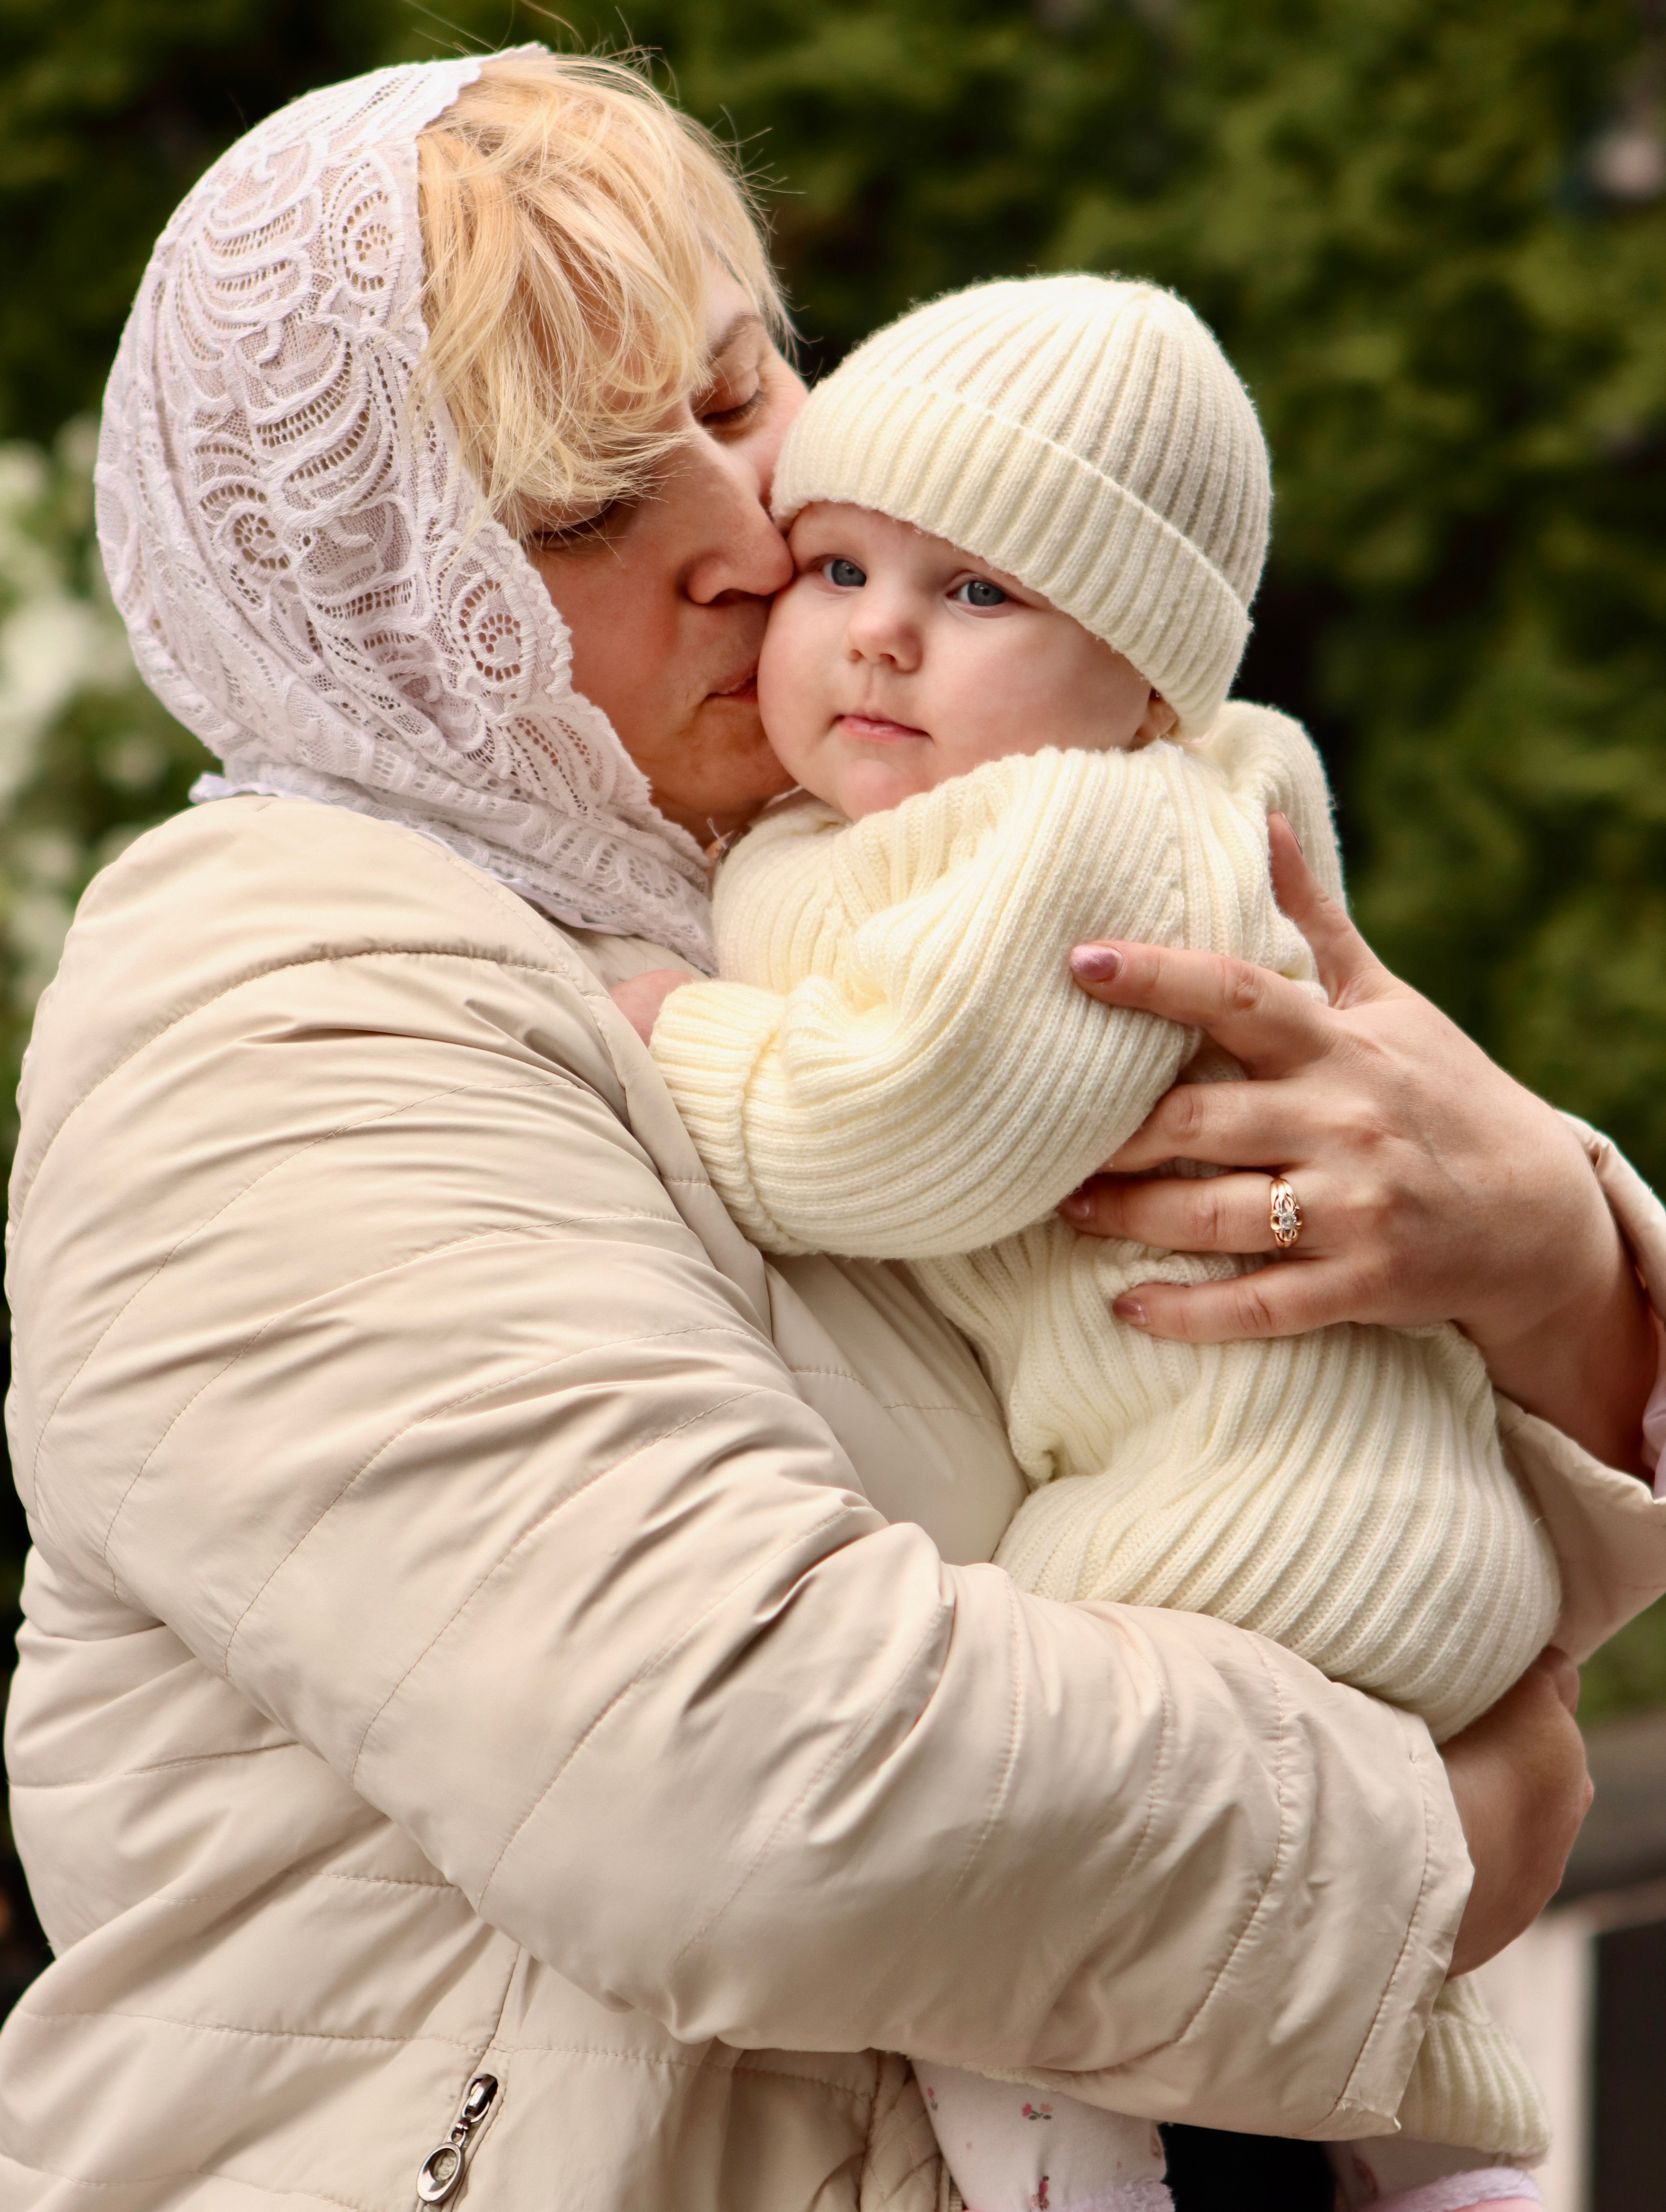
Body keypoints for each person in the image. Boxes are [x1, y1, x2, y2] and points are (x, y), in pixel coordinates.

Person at [0, 45, 1646, 2212]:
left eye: (742, 384)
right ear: (384, 603)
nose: (737, 538)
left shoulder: (854, 858)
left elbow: (1271, 1425)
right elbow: (733, 1784)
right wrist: (1432, 1832)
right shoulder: (279, 991)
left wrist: (1566, 1275)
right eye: (585, 507)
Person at [640, 274, 1661, 2212]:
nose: (879, 641)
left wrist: (667, 1046)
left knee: (1020, 1868)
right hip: (1301, 1491)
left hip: (1263, 1510)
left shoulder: (1082, 835)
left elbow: (895, 1126)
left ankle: (1108, 2169)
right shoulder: (918, 816)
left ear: (1146, 679)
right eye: (839, 564)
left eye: (981, 596)